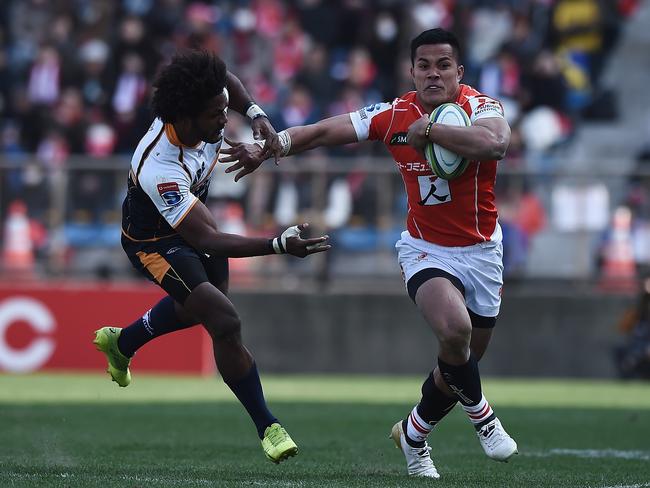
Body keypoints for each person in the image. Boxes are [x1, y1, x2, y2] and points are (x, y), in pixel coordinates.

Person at [222, 28, 518, 478]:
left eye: (443, 65)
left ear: (460, 71)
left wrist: (433, 129)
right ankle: (486, 420)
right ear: (411, 71)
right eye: (424, 65)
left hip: (482, 252)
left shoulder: (481, 107)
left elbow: (495, 143)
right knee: (454, 332)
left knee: (458, 362)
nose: (433, 74)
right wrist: (271, 147)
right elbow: (324, 131)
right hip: (425, 249)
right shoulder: (395, 114)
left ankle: (413, 434)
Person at [92, 50, 330, 465]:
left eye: (224, 110)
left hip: (193, 217)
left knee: (198, 309)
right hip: (155, 242)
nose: (224, 120)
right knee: (224, 318)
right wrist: (276, 245)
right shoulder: (159, 167)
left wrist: (257, 113)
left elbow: (228, 82)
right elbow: (212, 239)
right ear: (185, 117)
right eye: (216, 114)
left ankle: (123, 342)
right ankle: (268, 427)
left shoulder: (204, 107)